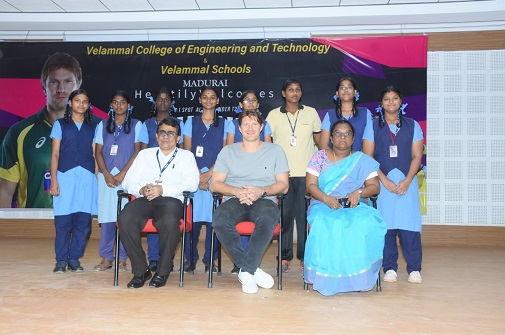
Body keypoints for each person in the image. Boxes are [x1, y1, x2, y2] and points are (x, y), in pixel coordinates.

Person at [304, 120, 387, 296]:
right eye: (338, 133)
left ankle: (355, 278)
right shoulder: (319, 157)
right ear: (331, 138)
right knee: (330, 224)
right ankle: (329, 278)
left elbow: (374, 187)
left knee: (363, 224)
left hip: (354, 205)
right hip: (323, 203)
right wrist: (326, 198)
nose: (342, 137)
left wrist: (359, 192)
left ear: (353, 138)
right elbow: (311, 185)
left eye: (347, 133)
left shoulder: (362, 160)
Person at [210, 109, 289, 294]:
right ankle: (250, 269)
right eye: (246, 124)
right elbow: (215, 184)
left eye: (255, 124)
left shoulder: (275, 150)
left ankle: (245, 271)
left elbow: (283, 185)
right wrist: (236, 191)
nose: (250, 128)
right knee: (220, 220)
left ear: (262, 127)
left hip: (264, 199)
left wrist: (261, 191)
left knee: (268, 219)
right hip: (235, 198)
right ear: (239, 128)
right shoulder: (227, 151)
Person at [118, 118, 199, 288]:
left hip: (171, 200)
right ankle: (141, 271)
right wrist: (140, 189)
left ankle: (162, 271)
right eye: (162, 132)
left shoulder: (186, 156)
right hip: (144, 198)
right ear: (156, 135)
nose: (166, 137)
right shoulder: (144, 154)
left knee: (169, 222)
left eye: (171, 133)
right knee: (125, 218)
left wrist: (163, 189)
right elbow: (127, 182)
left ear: (178, 138)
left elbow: (192, 184)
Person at [0, 52, 82, 208]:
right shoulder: (20, 133)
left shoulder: (98, 130)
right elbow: (4, 193)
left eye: (68, 82)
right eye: (54, 82)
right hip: (33, 226)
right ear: (43, 85)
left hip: (82, 225)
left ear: (79, 85)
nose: (61, 89)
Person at [362, 86, 424, 284]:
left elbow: (417, 155)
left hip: (408, 182)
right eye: (386, 99)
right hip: (383, 183)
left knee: (409, 227)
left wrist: (406, 181)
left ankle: (414, 268)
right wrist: (383, 180)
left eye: (395, 98)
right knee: (386, 227)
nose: (391, 102)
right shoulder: (372, 125)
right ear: (381, 104)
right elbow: (367, 156)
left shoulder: (413, 125)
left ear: (401, 102)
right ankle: (389, 268)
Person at [266, 79, 321, 272]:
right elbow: (267, 145)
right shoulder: (273, 115)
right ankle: (284, 255)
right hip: (283, 176)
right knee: (285, 217)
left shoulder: (311, 113)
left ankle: (306, 257)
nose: (294, 93)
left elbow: (319, 142)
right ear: (283, 93)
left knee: (305, 217)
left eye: (298, 89)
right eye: (290, 90)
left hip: (307, 175)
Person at [49, 89, 98, 273]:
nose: (81, 104)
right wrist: (54, 180)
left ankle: (74, 259)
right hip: (65, 176)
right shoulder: (60, 124)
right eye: (77, 100)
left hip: (86, 178)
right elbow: (55, 154)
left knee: (83, 223)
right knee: (63, 222)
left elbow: (95, 154)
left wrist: (96, 180)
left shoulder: (93, 126)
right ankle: (61, 260)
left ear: (88, 105)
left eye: (85, 101)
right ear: (70, 103)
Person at [92, 90, 142, 273]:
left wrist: (122, 174)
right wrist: (105, 173)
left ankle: (122, 258)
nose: (119, 105)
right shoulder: (102, 125)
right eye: (115, 102)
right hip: (106, 178)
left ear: (129, 106)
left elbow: (138, 152)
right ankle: (106, 257)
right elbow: (98, 151)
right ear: (111, 105)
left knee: (125, 218)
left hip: (127, 178)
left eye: (122, 102)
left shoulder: (137, 125)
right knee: (106, 218)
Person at [226, 90, 273, 274]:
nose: (250, 103)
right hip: (237, 181)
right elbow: (228, 149)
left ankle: (247, 263)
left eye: (254, 100)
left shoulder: (265, 124)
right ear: (240, 104)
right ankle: (244, 263)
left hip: (259, 181)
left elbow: (268, 150)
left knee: (261, 216)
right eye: (247, 100)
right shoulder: (232, 124)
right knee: (230, 216)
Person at [138, 87, 184, 273]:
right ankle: (154, 259)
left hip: (171, 179)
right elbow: (141, 151)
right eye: (160, 99)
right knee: (152, 216)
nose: (163, 102)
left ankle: (167, 259)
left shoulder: (178, 123)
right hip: (151, 177)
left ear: (171, 103)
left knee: (167, 220)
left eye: (167, 99)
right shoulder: (146, 124)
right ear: (155, 102)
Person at [182, 87, 227, 273]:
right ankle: (190, 259)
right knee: (191, 222)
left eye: (213, 98)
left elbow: (226, 153)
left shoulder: (226, 124)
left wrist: (209, 175)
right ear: (200, 100)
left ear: (217, 101)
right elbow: (186, 153)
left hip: (216, 178)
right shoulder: (190, 122)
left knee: (213, 222)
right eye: (205, 97)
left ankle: (210, 260)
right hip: (194, 177)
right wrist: (199, 176)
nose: (209, 100)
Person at [318, 77, 372, 151]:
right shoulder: (330, 114)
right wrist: (336, 160)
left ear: (355, 92)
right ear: (337, 93)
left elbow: (370, 144)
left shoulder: (365, 113)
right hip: (335, 161)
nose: (346, 90)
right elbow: (323, 144)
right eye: (342, 88)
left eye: (349, 87)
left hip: (359, 160)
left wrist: (357, 160)